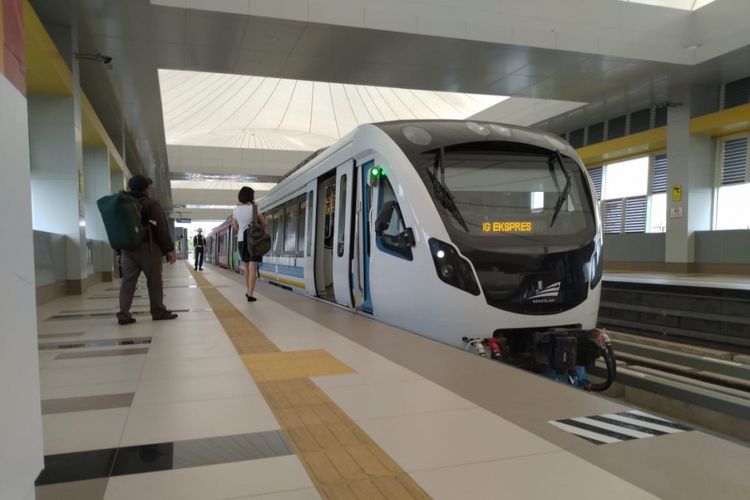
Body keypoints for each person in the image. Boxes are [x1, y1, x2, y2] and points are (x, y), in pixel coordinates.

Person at [116, 175, 178, 325]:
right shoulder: (151, 204)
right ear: (146, 189)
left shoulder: (122, 204)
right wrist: (169, 249)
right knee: (154, 280)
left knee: (128, 282)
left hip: (127, 249)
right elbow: (161, 228)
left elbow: (117, 229)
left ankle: (124, 314)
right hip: (148, 248)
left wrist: (119, 251)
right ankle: (157, 311)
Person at [231, 186, 266, 302]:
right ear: (251, 196)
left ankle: (247, 290)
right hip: (254, 241)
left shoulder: (235, 210)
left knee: (246, 268)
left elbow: (235, 227)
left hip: (241, 240)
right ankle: (250, 294)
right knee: (253, 268)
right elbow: (264, 223)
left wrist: (242, 227)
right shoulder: (255, 208)